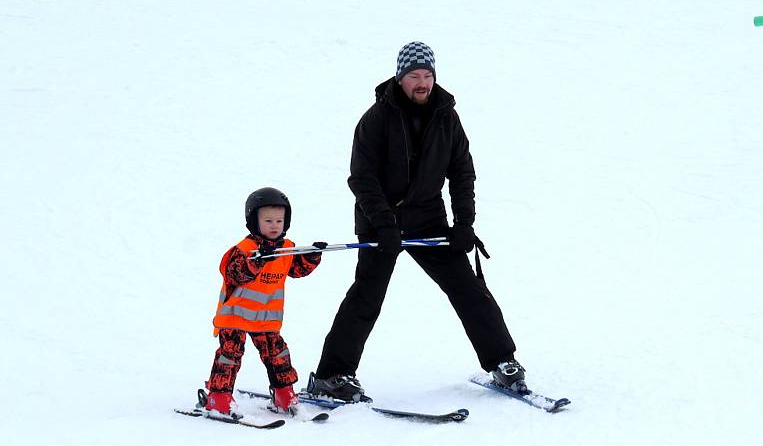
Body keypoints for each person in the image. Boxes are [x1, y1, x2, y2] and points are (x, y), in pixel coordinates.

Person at [308, 41, 526, 402]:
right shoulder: (376, 119)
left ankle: (502, 362)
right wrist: (385, 223)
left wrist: (464, 225)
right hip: (381, 223)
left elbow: (462, 173)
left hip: (428, 218)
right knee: (367, 296)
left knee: (468, 289)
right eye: (414, 76)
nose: (422, 82)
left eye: (427, 75)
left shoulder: (446, 117)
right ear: (400, 77)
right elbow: (362, 177)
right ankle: (333, 375)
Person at [203, 187, 326, 415]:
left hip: (266, 319)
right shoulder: (246, 249)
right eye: (268, 220)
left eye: (279, 220)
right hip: (235, 317)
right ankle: (218, 399)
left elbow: (296, 270)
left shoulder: (287, 249)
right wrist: (259, 257)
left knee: (278, 355)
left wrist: (312, 257)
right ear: (253, 221)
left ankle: (284, 395)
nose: (274, 225)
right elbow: (234, 272)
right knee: (229, 357)